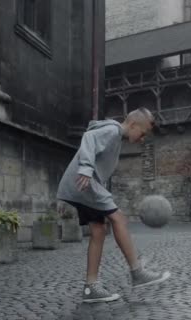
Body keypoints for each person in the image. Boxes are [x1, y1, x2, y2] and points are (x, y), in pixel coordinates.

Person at [57, 107, 170, 303]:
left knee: (99, 230)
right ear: (133, 124)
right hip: (84, 183)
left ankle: (90, 288)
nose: (142, 139)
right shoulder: (113, 131)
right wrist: (85, 167)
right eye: (142, 134)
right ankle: (137, 272)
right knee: (119, 219)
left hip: (83, 185)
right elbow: (89, 137)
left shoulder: (115, 136)